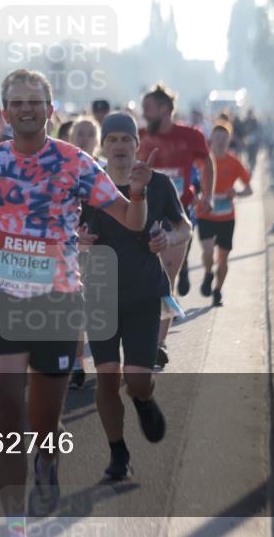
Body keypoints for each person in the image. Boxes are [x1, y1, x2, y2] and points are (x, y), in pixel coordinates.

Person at [0, 69, 152, 529]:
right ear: (6, 112)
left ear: (50, 110)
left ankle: (48, 459)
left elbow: (132, 222)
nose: (26, 108)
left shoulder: (75, 162)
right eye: (16, 102)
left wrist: (136, 192)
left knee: (43, 425)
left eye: (34, 101)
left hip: (56, 302)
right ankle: (15, 523)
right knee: (8, 419)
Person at [81, 113, 189, 479]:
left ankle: (143, 398)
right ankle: (118, 453)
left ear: (136, 144)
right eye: (112, 140)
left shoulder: (157, 184)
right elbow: (63, 228)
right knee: (108, 378)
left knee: (137, 377)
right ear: (104, 146)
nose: (120, 146)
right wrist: (77, 241)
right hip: (99, 294)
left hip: (143, 292)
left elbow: (183, 226)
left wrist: (169, 240)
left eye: (126, 139)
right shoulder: (88, 184)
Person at [138, 83, 213, 370]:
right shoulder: (140, 136)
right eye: (143, 110)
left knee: (166, 277)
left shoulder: (190, 136)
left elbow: (207, 165)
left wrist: (207, 193)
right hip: (142, 213)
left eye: (149, 110)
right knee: (141, 276)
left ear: (166, 109)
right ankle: (141, 333)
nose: (145, 115)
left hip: (176, 213)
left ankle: (158, 344)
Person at [197, 122, 252, 306]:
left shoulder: (234, 162)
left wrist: (236, 193)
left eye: (224, 139)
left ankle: (218, 291)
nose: (220, 142)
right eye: (217, 139)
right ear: (211, 140)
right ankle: (207, 273)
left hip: (226, 216)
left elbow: (249, 189)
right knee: (207, 251)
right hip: (205, 213)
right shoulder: (202, 160)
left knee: (223, 258)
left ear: (229, 141)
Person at [66, 116, 102, 389]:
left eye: (90, 133)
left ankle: (109, 363)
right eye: (79, 132)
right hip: (69, 251)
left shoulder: (105, 172)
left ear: (97, 141)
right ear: (70, 137)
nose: (84, 138)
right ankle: (78, 363)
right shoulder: (61, 171)